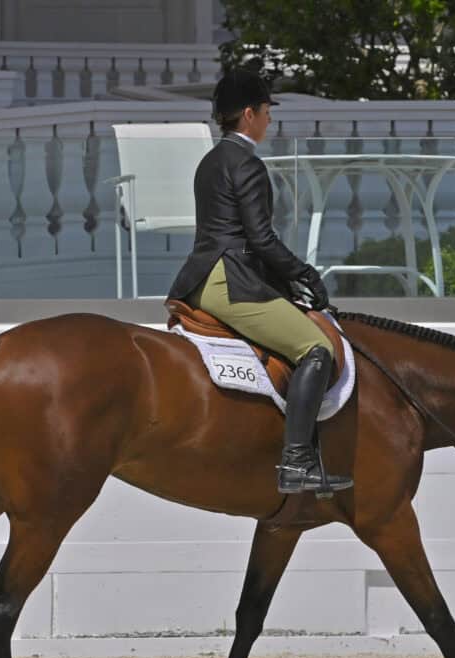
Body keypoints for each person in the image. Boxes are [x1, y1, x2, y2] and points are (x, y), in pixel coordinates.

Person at [168, 69, 353, 496]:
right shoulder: (247, 163)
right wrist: (304, 274)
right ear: (249, 114)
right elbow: (261, 239)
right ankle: (297, 463)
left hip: (200, 277)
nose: (270, 120)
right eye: (267, 111)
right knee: (316, 348)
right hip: (231, 281)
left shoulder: (211, 160)